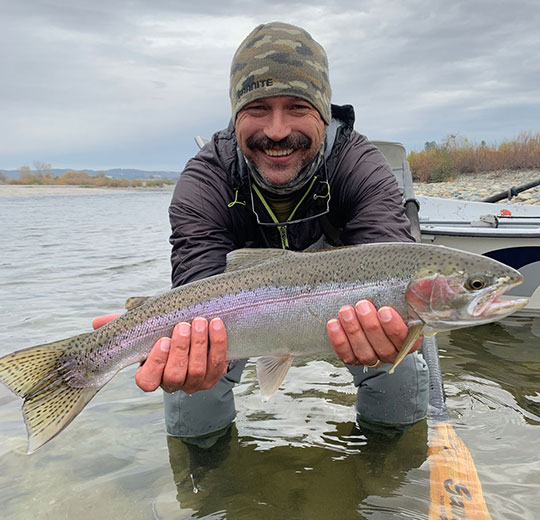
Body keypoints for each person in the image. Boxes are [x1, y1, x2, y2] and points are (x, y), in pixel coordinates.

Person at [95, 21, 429, 447]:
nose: (275, 130)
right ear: (235, 116)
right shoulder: (206, 179)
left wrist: (402, 332)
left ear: (324, 114)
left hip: (344, 313)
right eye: (257, 109)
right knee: (191, 380)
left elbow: (395, 258)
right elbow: (196, 291)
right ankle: (208, 485)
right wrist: (169, 343)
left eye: (297, 107)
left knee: (400, 362)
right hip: (240, 314)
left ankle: (391, 472)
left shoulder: (358, 165)